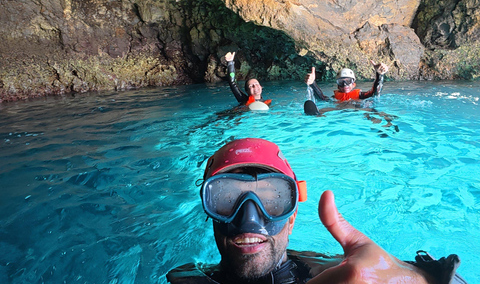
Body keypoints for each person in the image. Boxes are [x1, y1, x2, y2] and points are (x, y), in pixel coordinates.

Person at [167, 138, 466, 284]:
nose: (250, 219)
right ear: (210, 213)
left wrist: (418, 278)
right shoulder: (186, 278)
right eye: (226, 198)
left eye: (272, 199)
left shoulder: (344, 274)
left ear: (293, 216)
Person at [304, 61, 388, 115]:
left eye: (348, 81)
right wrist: (312, 83)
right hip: (339, 111)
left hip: (359, 111)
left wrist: (379, 75)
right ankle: (317, 115)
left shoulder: (361, 95)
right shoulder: (334, 98)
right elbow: (321, 98)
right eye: (341, 82)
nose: (345, 85)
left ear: (353, 84)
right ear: (337, 86)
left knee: (372, 112)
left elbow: (375, 93)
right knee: (323, 111)